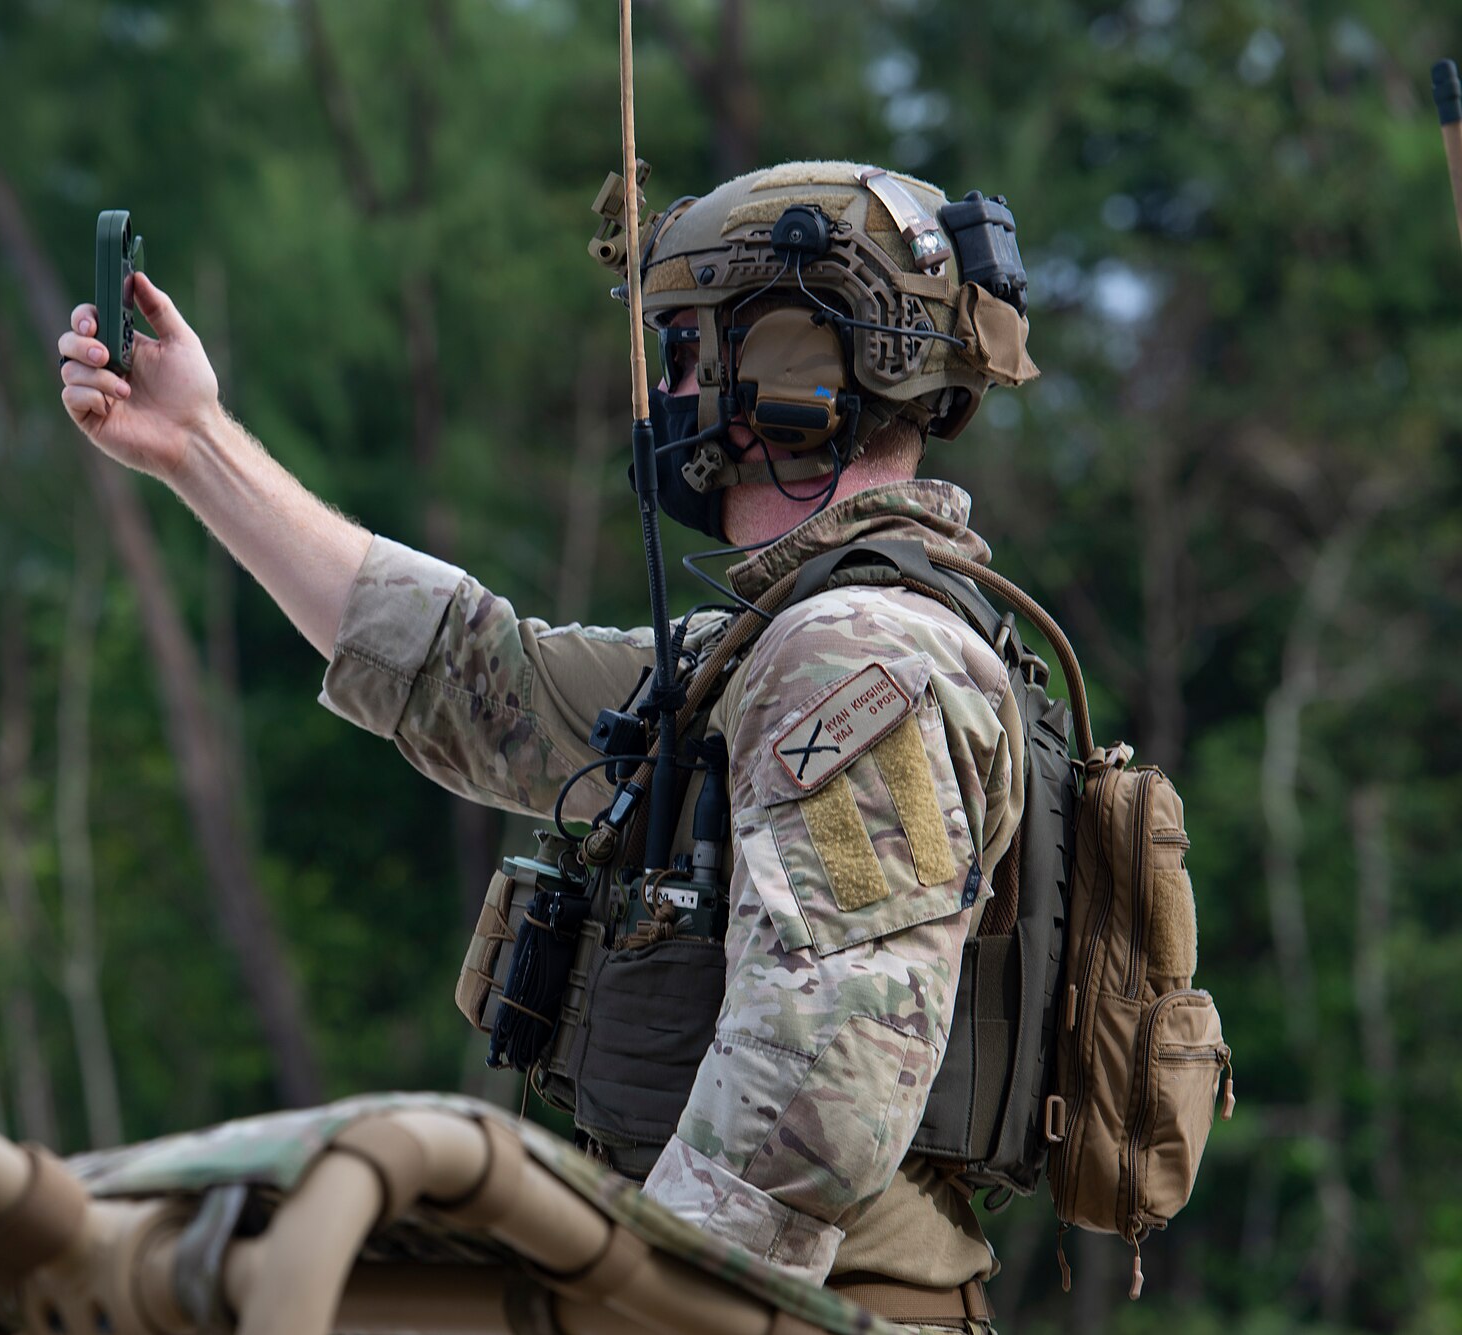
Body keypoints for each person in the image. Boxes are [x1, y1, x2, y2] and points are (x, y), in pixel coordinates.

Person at [58, 161, 1040, 1335]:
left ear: (792, 370)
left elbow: (817, 1092)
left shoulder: (847, 662)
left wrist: (645, 1309)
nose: (667, 390)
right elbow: (480, 682)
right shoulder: (781, 651)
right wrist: (194, 443)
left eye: (685, 350)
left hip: (790, 1308)